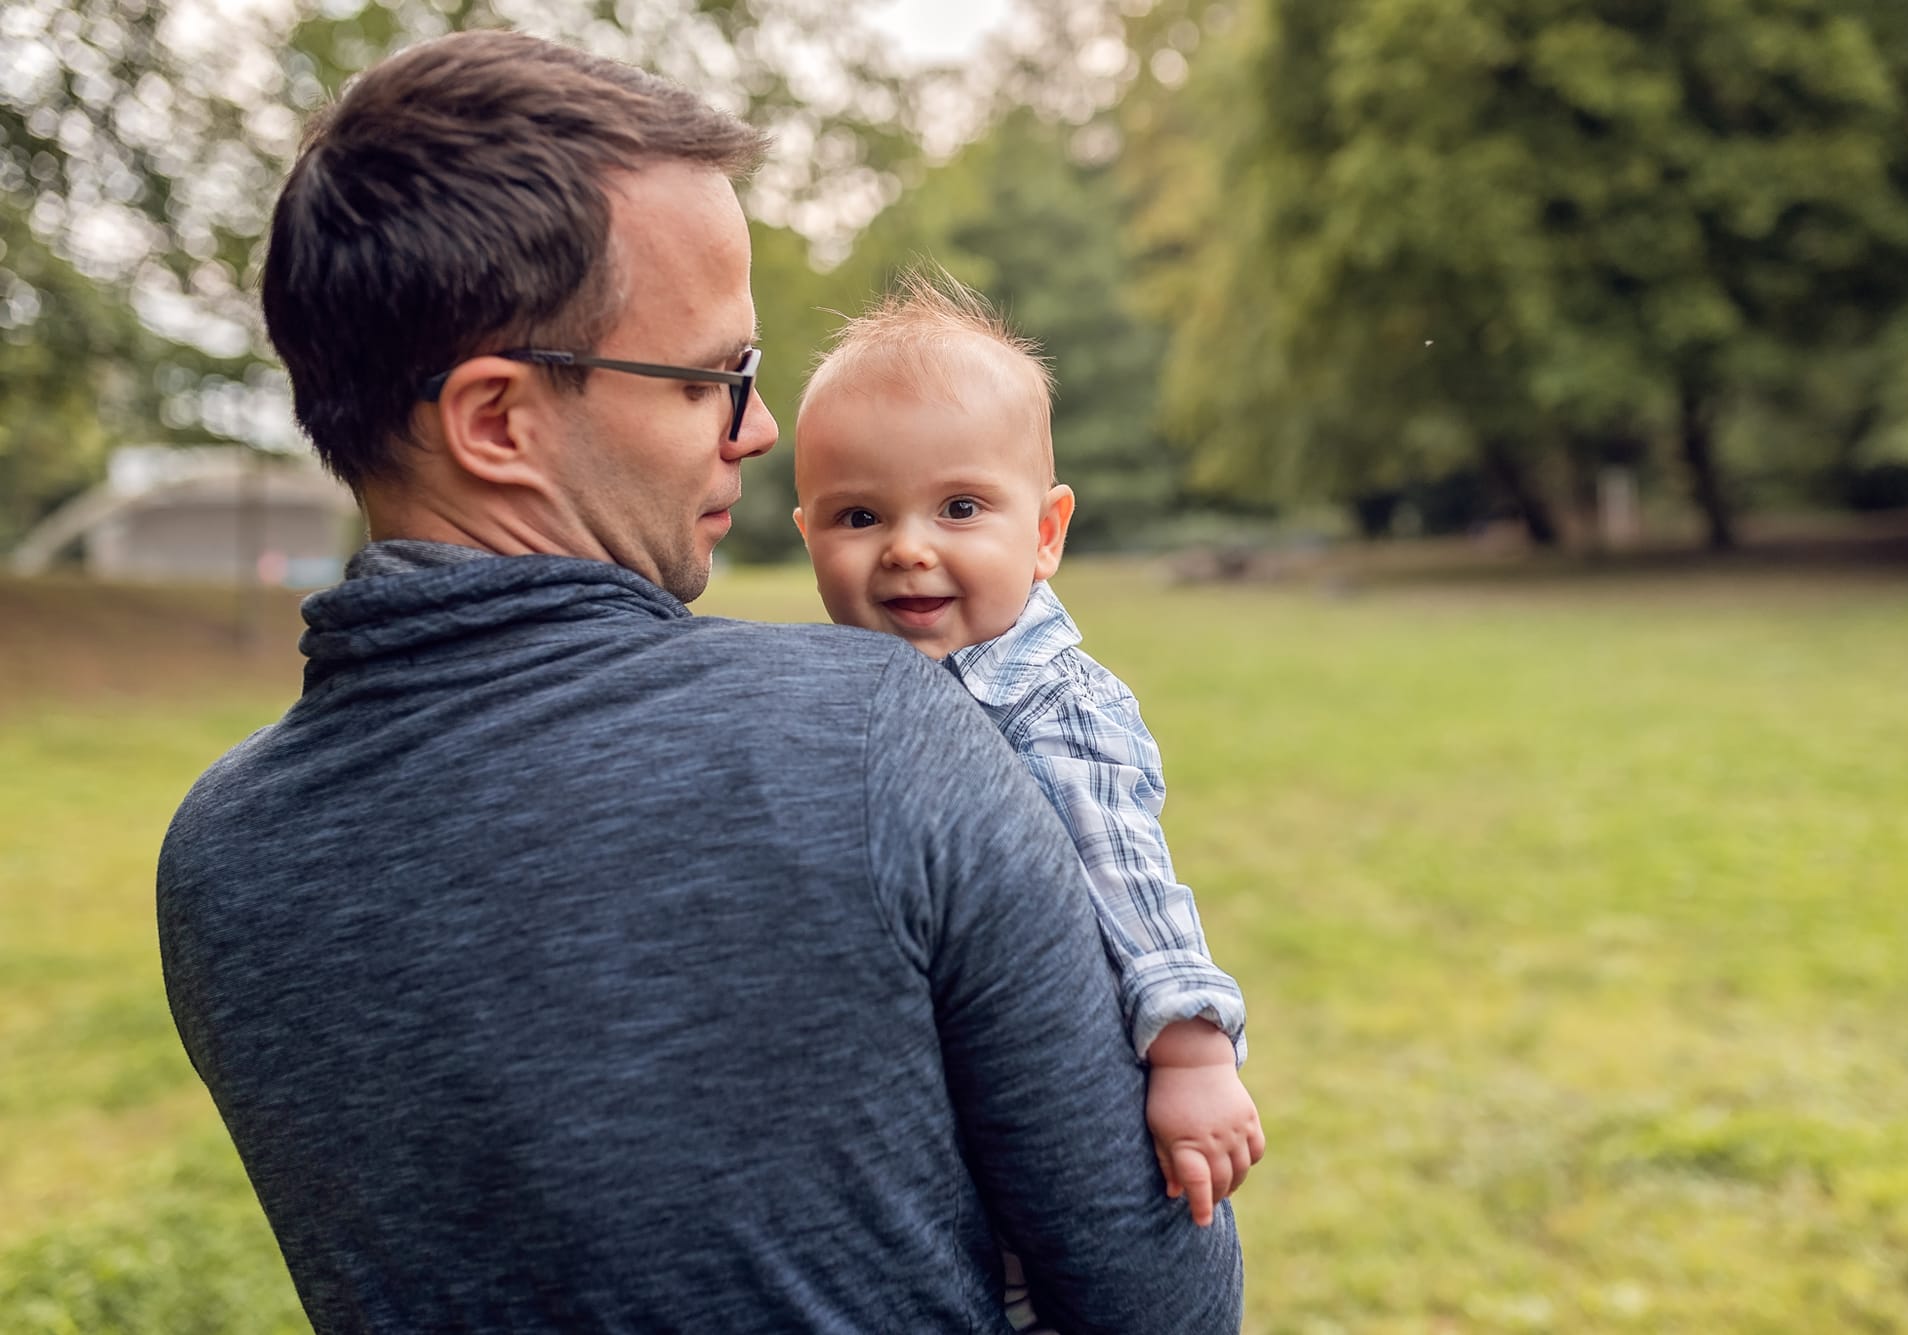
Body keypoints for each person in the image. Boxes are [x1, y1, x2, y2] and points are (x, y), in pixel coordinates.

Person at [155, 29, 1241, 1335]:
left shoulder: (221, 860)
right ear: (498, 420)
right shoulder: (877, 734)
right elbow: (1164, 1294)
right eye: (714, 378)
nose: (761, 428)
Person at [791, 272, 1264, 1332]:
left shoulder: (1049, 703)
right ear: (806, 531)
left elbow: (1125, 871)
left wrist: (1190, 1052)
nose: (909, 547)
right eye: (859, 515)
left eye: (959, 508)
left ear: (1045, 532)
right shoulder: (851, 690)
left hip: (1068, 1094)